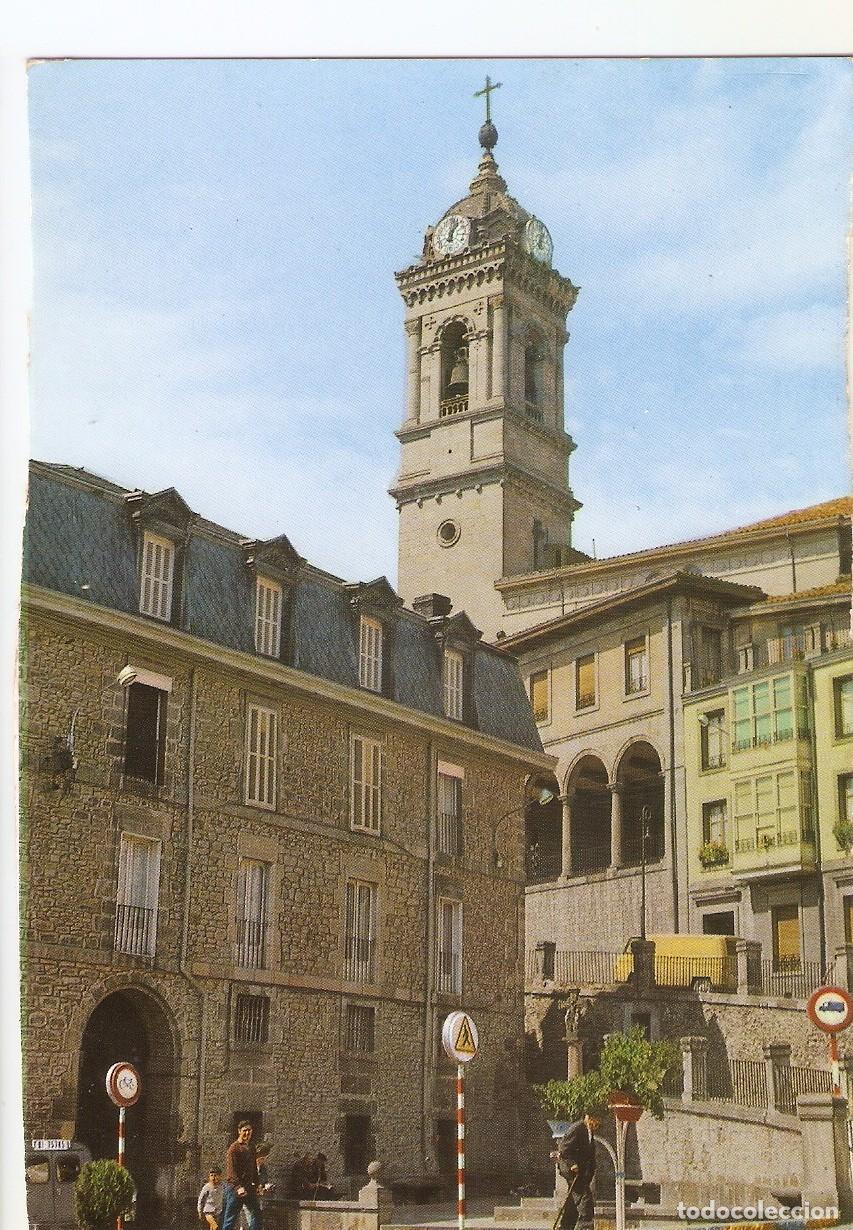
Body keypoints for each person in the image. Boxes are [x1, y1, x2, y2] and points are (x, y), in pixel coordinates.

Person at [554, 1111, 601, 1230]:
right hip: (572, 1171)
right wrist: (572, 1164)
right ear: (588, 1117)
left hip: (581, 1174)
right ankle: (585, 1227)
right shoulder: (578, 1128)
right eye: (596, 1119)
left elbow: (589, 1155)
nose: (597, 1123)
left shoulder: (589, 1131)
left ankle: (565, 1227)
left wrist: (590, 1173)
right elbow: (564, 1148)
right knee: (585, 1200)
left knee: (573, 1203)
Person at [221, 1121, 262, 1230]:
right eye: (244, 1130)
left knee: (256, 1212)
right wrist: (238, 1187)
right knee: (230, 1219)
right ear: (239, 1131)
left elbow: (253, 1168)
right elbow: (231, 1171)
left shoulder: (251, 1147)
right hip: (235, 1188)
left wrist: (258, 1184)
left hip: (248, 1187)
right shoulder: (234, 1148)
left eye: (249, 1130)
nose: (247, 1133)